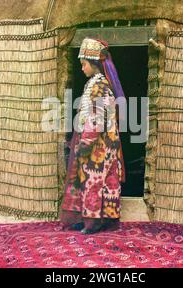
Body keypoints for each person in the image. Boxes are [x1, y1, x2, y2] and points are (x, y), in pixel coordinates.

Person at [60, 37, 126, 234]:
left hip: (99, 145)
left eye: (84, 64)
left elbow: (98, 118)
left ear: (94, 64)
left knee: (95, 181)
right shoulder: (93, 84)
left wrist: (86, 141)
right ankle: (85, 219)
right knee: (86, 180)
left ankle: (94, 223)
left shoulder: (100, 86)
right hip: (93, 141)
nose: (82, 68)